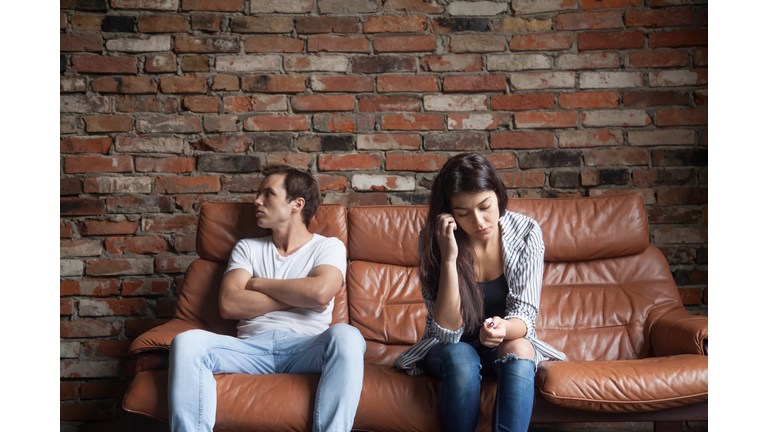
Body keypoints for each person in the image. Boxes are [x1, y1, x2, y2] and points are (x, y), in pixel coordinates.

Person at [168, 165, 366, 432]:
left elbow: (320, 292)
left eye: (268, 194)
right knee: (187, 342)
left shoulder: (328, 246)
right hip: (250, 349)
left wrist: (258, 284)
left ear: (297, 204)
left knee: (348, 337)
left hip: (306, 348)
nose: (257, 201)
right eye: (258, 194)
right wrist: (302, 297)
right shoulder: (247, 248)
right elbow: (229, 304)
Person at [394, 153, 566, 432]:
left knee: (520, 348)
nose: (478, 221)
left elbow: (524, 319)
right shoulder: (434, 238)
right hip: (449, 350)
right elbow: (447, 333)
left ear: (498, 195)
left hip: (501, 343)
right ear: (449, 213)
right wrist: (449, 258)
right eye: (463, 213)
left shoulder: (526, 233)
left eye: (485, 206)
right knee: (462, 355)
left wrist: (502, 329)